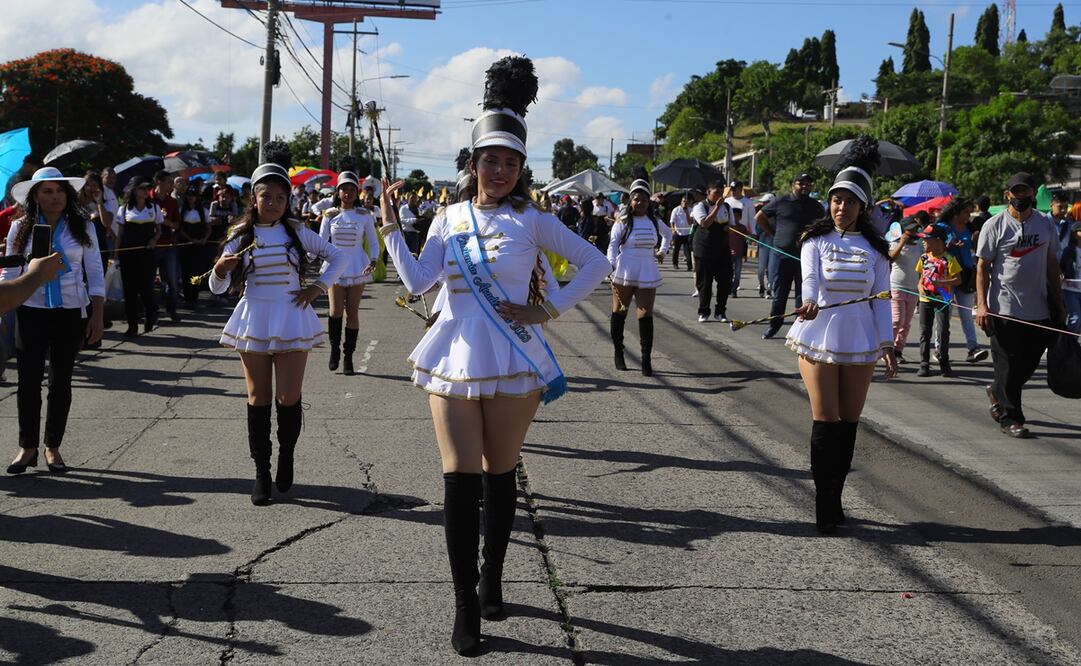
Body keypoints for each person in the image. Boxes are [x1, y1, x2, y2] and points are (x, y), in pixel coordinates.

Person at [379, 56, 610, 656]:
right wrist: (387, 228)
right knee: (459, 479)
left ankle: (493, 576)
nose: (501, 169)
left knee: (500, 475)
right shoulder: (447, 218)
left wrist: (548, 310)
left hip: (514, 357)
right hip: (453, 352)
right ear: (474, 163)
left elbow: (596, 264)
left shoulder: (535, 219)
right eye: (491, 159)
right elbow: (415, 285)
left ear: (520, 167)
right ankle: (464, 607)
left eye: (511, 161)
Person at [209, 161, 346, 505]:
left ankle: (287, 453)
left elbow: (337, 256)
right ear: (253, 199)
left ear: (288, 201)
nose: (272, 203)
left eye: (280, 198)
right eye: (265, 196)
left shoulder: (297, 232)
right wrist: (220, 269)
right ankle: (261, 471)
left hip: (291, 317)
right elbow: (216, 287)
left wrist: (317, 288)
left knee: (288, 397)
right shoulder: (239, 236)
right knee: (258, 398)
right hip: (253, 316)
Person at [783, 138, 896, 533]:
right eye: (835, 200)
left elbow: (882, 300)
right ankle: (824, 503)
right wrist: (809, 300)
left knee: (849, 422)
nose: (840, 208)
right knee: (826, 420)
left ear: (862, 207)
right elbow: (810, 278)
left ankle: (837, 496)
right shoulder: (814, 241)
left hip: (861, 337)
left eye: (849, 202)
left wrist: (887, 344)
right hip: (819, 333)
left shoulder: (877, 250)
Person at [3, 167, 105, 475]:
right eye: (47, 191)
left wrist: (97, 315)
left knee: (61, 381)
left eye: (59, 190)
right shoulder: (20, 227)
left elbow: (95, 272)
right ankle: (27, 447)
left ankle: (52, 446)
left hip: (71, 311)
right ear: (35, 195)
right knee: (28, 381)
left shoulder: (82, 227)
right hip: (30, 309)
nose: (55, 197)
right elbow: (9, 273)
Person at [976, 172, 1065, 439]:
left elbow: (1051, 264)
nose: (1020, 197)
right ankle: (1011, 418)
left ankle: (997, 391)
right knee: (1008, 365)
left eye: (1025, 192)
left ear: (1033, 194)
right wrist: (982, 305)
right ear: (1008, 195)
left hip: (1038, 308)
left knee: (1028, 364)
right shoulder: (994, 225)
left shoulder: (1045, 225)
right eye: (1015, 192)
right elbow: (983, 266)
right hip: (1004, 309)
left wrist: (1059, 303)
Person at [607, 178, 671, 375]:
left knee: (645, 314)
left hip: (647, 269)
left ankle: (646, 360)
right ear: (630, 201)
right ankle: (619, 352)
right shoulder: (622, 220)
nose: (640, 203)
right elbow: (613, 244)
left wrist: (662, 252)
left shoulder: (654, 220)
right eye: (636, 200)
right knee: (619, 312)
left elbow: (668, 235)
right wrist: (611, 264)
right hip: (625, 268)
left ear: (648, 202)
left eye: (644, 200)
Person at [318, 171, 379, 375]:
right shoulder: (330, 215)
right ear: (338, 191)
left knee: (352, 312)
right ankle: (334, 349)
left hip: (357, 266)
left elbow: (372, 241)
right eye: (344, 188)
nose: (348, 192)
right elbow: (321, 242)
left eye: (352, 189)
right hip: (335, 266)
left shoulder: (364, 215)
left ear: (357, 192)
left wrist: (373, 259)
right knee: (335, 311)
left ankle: (348, 357)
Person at [757, 173, 822, 338]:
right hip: (781, 256)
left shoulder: (816, 206)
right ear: (793, 184)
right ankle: (774, 325)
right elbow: (760, 217)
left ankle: (801, 331)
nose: (805, 186)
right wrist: (771, 233)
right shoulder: (781, 201)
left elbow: (824, 225)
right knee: (780, 294)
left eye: (808, 184)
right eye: (801, 183)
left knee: (803, 295)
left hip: (805, 258)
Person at [937, 198, 987, 363]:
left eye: (970, 212)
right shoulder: (943, 228)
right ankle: (939, 349)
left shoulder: (970, 228)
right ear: (955, 212)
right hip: (946, 276)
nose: (969, 215)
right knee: (945, 314)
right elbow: (931, 247)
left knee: (966, 314)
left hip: (965, 275)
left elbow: (975, 250)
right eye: (966, 212)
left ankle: (973, 348)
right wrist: (947, 244)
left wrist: (975, 241)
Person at [115, 181, 162, 337]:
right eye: (142, 188)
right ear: (134, 190)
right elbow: (120, 234)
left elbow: (159, 231)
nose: (146, 191)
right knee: (130, 291)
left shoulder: (154, 208)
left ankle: (151, 314)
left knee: (146, 288)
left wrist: (154, 240)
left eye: (147, 189)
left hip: (147, 254)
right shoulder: (124, 209)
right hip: (128, 255)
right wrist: (115, 254)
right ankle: (132, 325)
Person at [914, 224, 961, 377]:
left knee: (942, 332)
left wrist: (942, 284)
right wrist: (921, 288)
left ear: (938, 241)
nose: (923, 242)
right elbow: (920, 279)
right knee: (924, 332)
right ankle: (924, 363)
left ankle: (944, 363)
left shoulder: (949, 259)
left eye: (927, 239)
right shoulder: (923, 258)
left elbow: (958, 279)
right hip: (925, 299)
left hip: (943, 299)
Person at [690, 181, 733, 323]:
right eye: (716, 193)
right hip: (704, 249)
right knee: (705, 282)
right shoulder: (700, 206)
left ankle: (721, 311)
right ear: (708, 192)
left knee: (725, 281)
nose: (720, 196)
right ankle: (704, 311)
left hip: (722, 249)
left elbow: (730, 225)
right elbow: (705, 223)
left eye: (721, 193)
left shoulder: (727, 207)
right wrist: (717, 207)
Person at [888, 213, 927, 364]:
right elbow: (891, 257)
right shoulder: (894, 242)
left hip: (913, 288)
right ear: (903, 230)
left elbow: (925, 260)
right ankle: (888, 348)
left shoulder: (919, 244)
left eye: (915, 229)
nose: (913, 232)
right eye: (910, 229)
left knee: (906, 323)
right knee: (897, 321)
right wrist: (901, 243)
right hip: (897, 286)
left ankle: (898, 350)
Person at [151, 170, 181, 324]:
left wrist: (165, 221)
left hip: (168, 245)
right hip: (152, 247)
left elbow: (176, 224)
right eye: (168, 182)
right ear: (159, 182)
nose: (171, 185)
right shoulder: (148, 199)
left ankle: (172, 309)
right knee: (150, 281)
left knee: (171, 280)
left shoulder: (172, 202)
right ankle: (152, 311)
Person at [178, 186, 210, 310]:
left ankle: (194, 297)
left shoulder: (203, 211)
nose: (191, 198)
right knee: (186, 272)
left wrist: (204, 239)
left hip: (199, 245)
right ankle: (187, 298)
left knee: (197, 272)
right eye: (189, 196)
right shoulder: (182, 211)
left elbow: (208, 228)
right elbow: (180, 230)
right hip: (186, 245)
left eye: (193, 196)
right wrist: (191, 240)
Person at [1061, 220, 1081, 334]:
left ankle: (1075, 347)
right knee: (1076, 318)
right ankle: (1068, 344)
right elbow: (1061, 267)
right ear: (1074, 234)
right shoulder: (1069, 251)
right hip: (1071, 290)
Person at [729, 202, 749, 298]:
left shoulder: (743, 228)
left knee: (737, 273)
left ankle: (734, 290)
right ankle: (729, 286)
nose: (735, 218)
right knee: (728, 273)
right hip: (728, 254)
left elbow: (745, 242)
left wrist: (745, 255)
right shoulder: (728, 227)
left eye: (737, 217)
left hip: (739, 254)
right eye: (734, 216)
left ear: (740, 217)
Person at [669, 192, 693, 271]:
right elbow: (672, 221)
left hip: (687, 233)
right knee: (676, 249)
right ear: (681, 201)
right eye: (683, 201)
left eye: (686, 201)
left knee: (687, 251)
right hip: (678, 232)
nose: (685, 203)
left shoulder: (690, 210)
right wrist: (673, 229)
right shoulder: (676, 210)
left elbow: (691, 221)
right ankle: (675, 263)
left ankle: (689, 265)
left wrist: (686, 212)